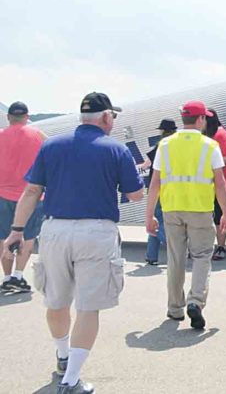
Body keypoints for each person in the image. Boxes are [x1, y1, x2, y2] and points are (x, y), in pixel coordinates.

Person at [1, 91, 144, 394]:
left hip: (54, 231)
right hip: (97, 231)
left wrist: (16, 230)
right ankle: (71, 380)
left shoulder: (51, 145)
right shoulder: (116, 149)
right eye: (113, 116)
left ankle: (63, 355)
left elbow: (31, 191)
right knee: (88, 307)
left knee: (56, 301)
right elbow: (135, 195)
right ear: (106, 117)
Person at [145, 100, 226, 330]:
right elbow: (220, 183)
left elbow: (155, 183)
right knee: (202, 256)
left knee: (175, 258)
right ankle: (196, 301)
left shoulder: (165, 144)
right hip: (201, 209)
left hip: (171, 208)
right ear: (201, 119)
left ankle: (175, 308)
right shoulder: (209, 145)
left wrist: (148, 215)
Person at [1, 100, 47, 294]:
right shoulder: (38, 135)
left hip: (2, 195)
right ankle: (19, 276)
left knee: (3, 237)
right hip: (32, 196)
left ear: (8, 117)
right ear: (27, 117)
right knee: (28, 238)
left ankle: (6, 277)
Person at [203, 109, 226, 260]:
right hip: (206, 185)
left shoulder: (221, 134)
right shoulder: (206, 136)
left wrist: (211, 165)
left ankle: (221, 247)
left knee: (219, 217)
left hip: (222, 185)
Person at [143, 119, 176, 265]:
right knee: (158, 221)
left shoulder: (161, 146)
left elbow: (147, 164)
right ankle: (154, 255)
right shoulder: (176, 147)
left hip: (156, 189)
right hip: (170, 188)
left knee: (156, 221)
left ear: (162, 131)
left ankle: (157, 254)